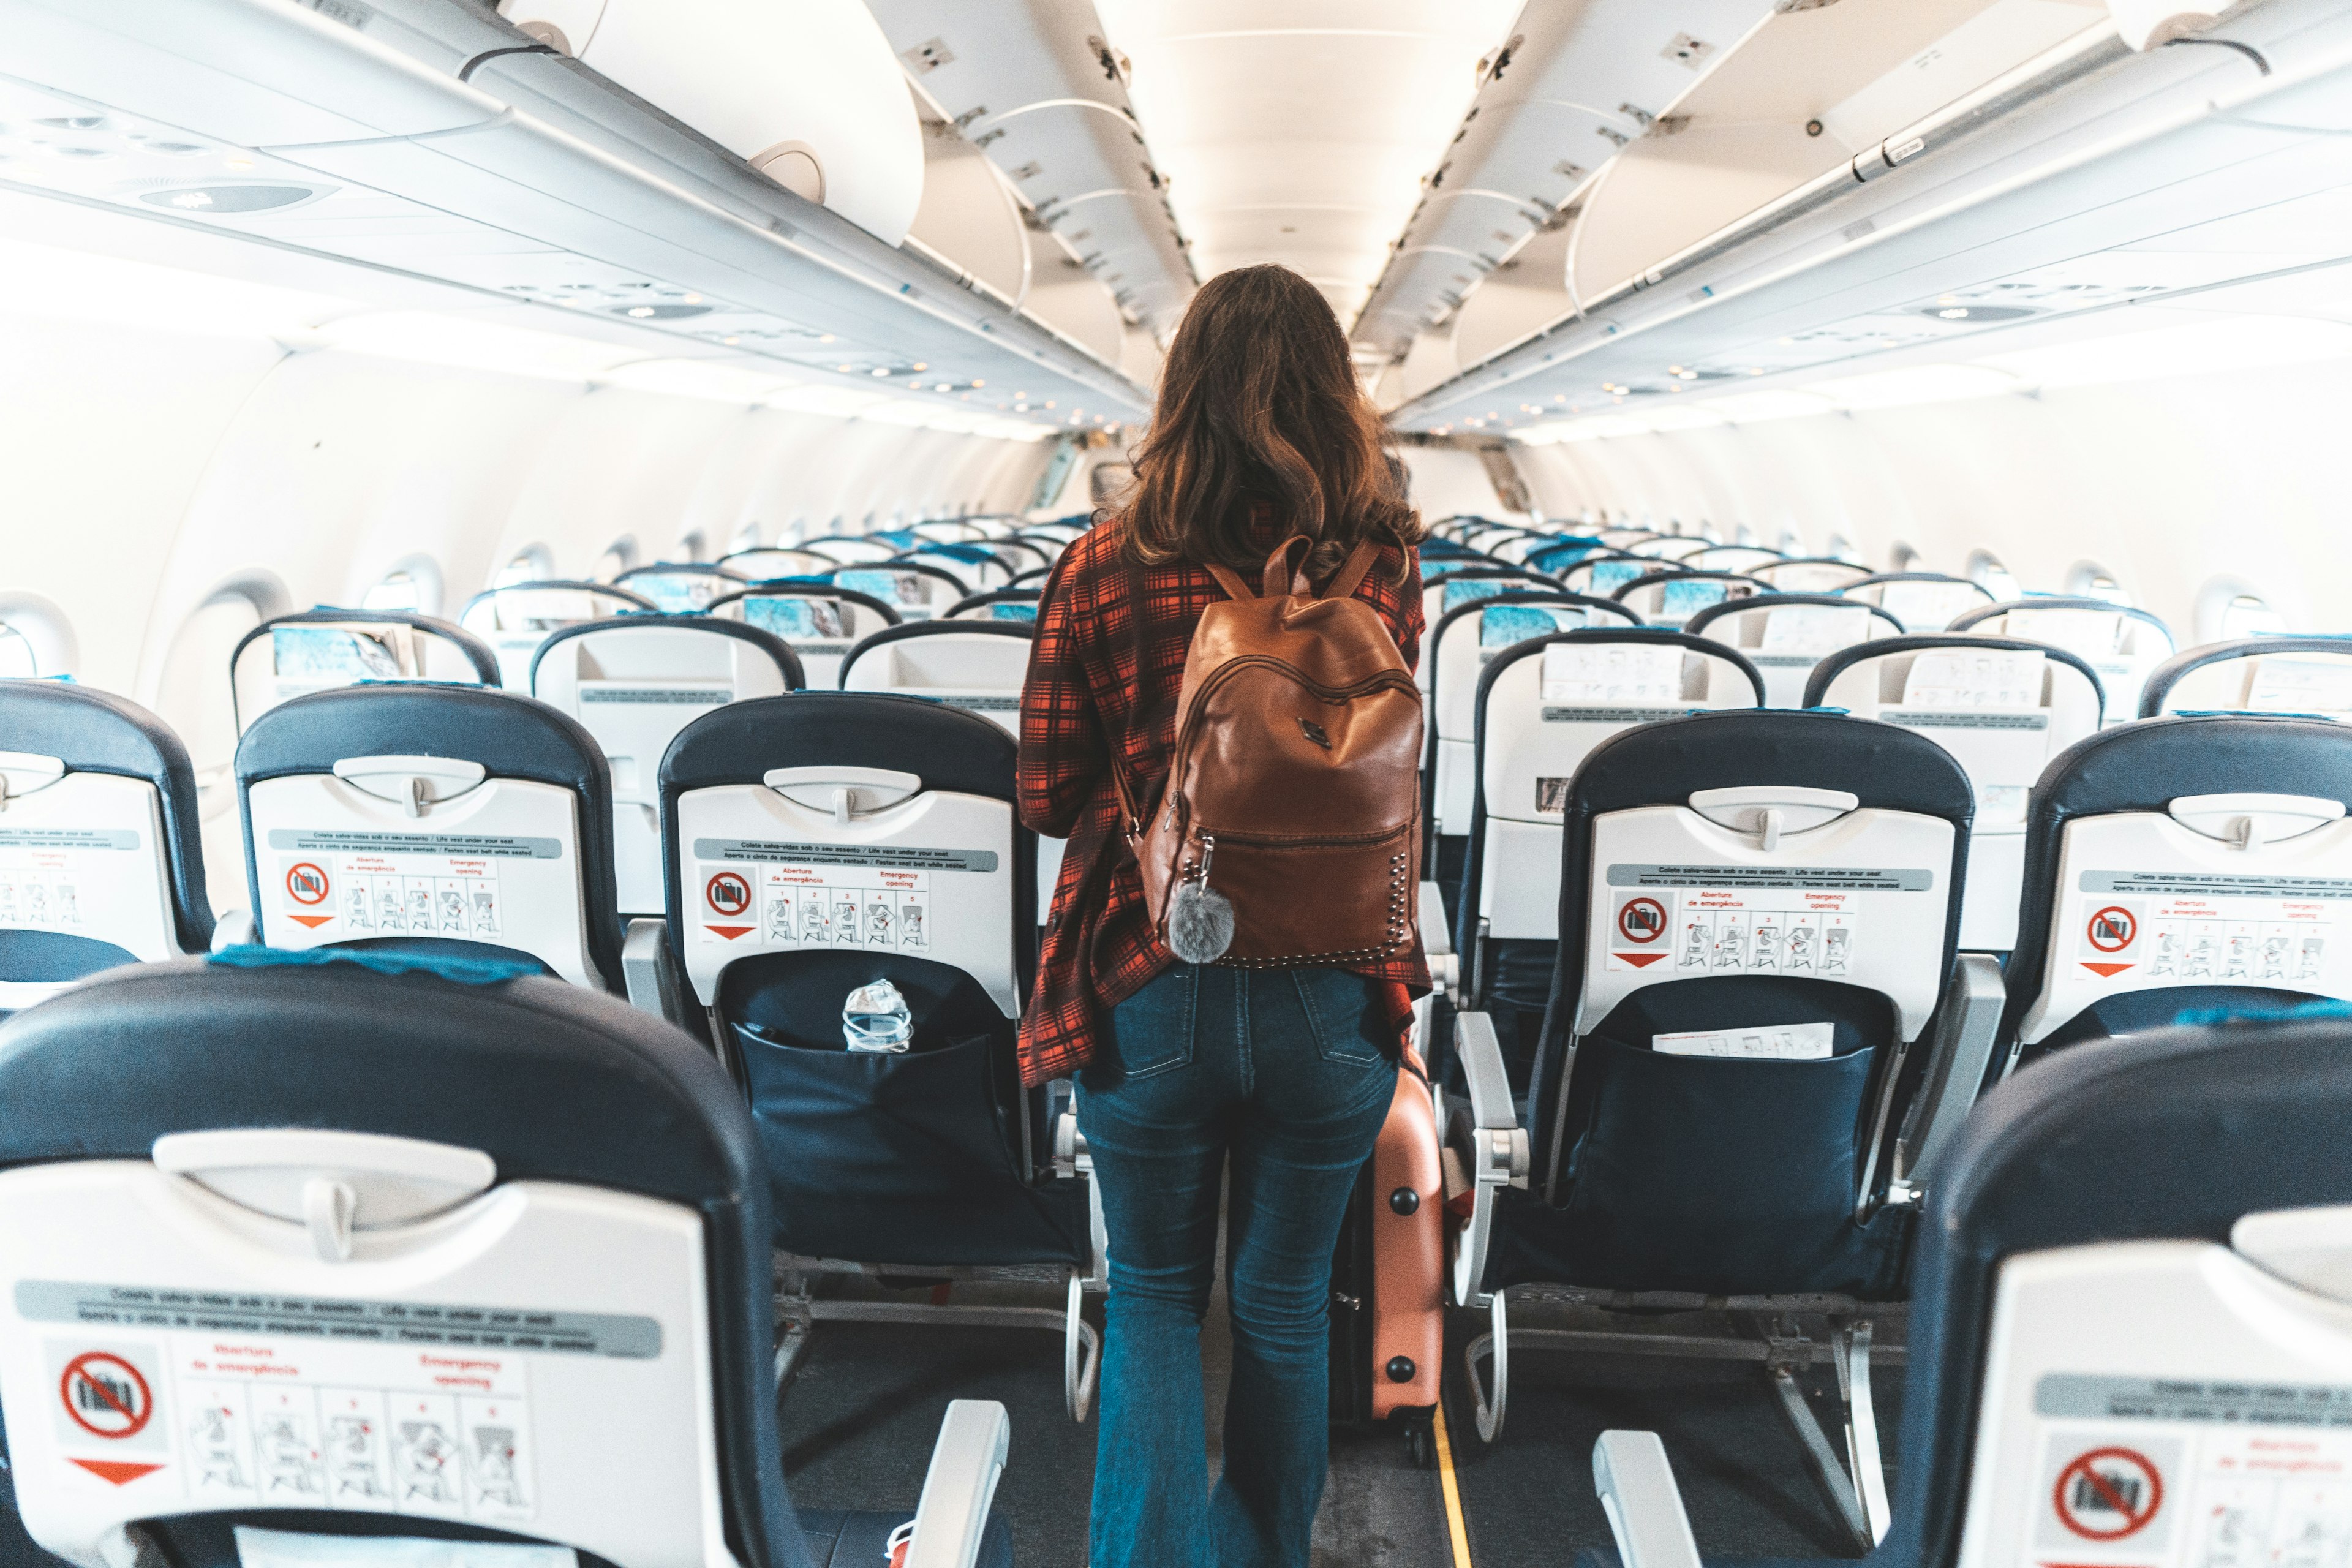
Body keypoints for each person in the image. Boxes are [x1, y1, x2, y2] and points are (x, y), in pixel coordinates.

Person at [1015, 263, 1428, 1568]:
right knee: (1287, 1301)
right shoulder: (1383, 564)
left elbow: (1043, 792)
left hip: (1153, 977)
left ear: (1178, 391)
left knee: (1149, 1296)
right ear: (1335, 395)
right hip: (1332, 982)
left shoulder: (1100, 562)